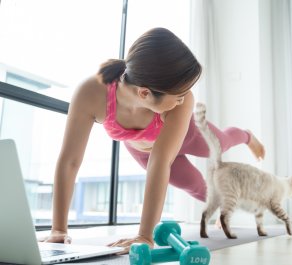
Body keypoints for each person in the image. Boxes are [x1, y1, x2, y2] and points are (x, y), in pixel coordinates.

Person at [41, 27, 265, 254]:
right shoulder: (90, 93)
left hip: (188, 135)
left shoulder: (183, 100)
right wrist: (58, 229)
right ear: (144, 93)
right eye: (177, 97)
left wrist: (144, 235)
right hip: (144, 150)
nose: (183, 99)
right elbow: (70, 160)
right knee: (197, 188)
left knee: (221, 143)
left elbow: (161, 162)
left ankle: (246, 135)